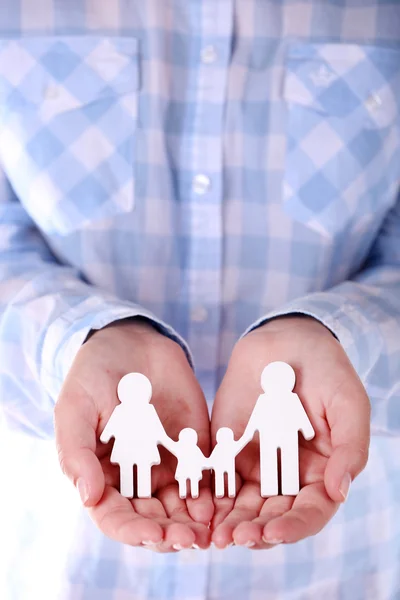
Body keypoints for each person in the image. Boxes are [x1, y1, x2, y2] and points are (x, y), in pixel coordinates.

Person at [0, 2, 399, 599]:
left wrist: (339, 333)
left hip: (337, 568)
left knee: (276, 463)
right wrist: (77, 339)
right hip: (69, 566)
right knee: (138, 475)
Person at [240, 362, 315, 496]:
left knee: (289, 459)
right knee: (270, 461)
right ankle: (270, 487)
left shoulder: (291, 398)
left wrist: (308, 430)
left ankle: (290, 486)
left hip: (286, 436)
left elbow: (300, 415)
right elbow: (255, 419)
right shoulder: (264, 399)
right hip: (271, 436)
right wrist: (248, 434)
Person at [208, 427, 244, 498]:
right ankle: (220, 491)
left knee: (228, 477)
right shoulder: (219, 447)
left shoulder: (227, 446)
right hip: (222, 466)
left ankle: (229, 492)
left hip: (227, 466)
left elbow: (239, 445)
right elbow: (213, 457)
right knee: (221, 478)